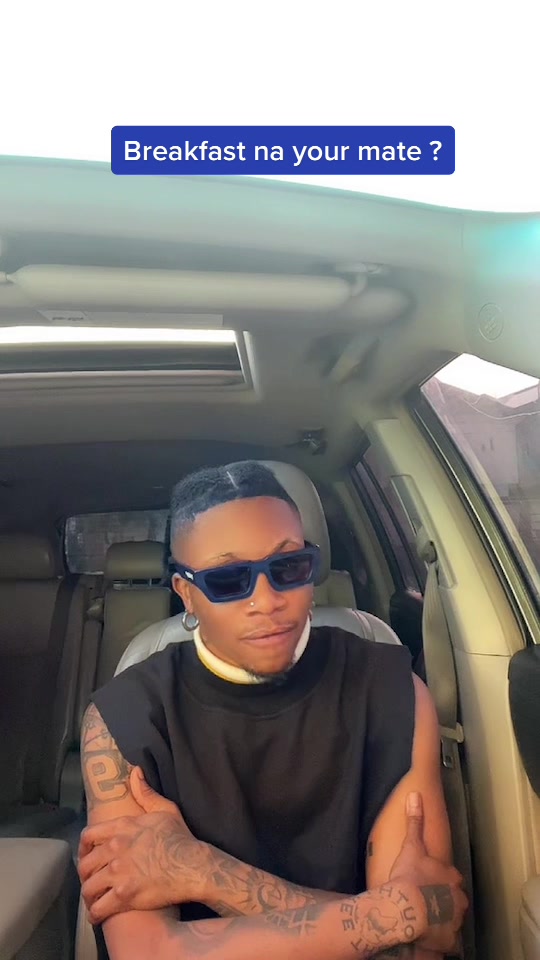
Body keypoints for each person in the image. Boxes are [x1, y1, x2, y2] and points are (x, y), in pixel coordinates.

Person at [77, 461, 467, 960]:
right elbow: (148, 953)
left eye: (288, 567)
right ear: (186, 593)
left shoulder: (391, 691)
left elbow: (417, 950)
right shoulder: (125, 719)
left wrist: (202, 871)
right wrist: (392, 914)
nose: (266, 600)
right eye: (227, 579)